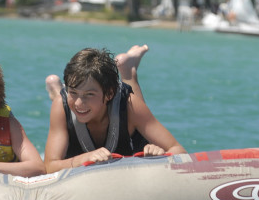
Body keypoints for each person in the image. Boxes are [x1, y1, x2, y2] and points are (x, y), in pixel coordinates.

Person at [43, 45, 186, 173]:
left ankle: (128, 70)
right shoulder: (61, 105)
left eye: (89, 94)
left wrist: (161, 156)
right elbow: (49, 167)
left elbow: (180, 151)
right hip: (75, 133)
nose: (79, 102)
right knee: (67, 105)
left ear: (109, 93)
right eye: (72, 92)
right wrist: (84, 159)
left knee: (133, 104)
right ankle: (57, 90)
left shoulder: (130, 104)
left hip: (127, 123)